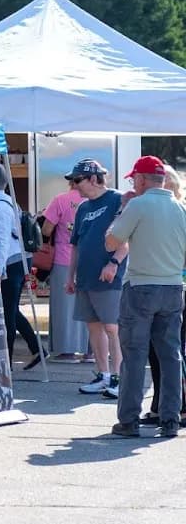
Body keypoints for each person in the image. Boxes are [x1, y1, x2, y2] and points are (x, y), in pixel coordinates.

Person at [104, 155, 186, 438]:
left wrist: (123, 209)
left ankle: (128, 420)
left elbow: (111, 241)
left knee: (135, 355)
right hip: (173, 287)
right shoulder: (180, 208)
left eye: (133, 179)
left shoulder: (137, 205)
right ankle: (171, 419)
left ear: (141, 179)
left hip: (140, 286)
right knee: (170, 355)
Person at [65, 159, 126, 399]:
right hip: (86, 277)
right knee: (93, 326)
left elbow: (127, 238)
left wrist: (114, 263)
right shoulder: (83, 208)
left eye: (77, 180)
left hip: (110, 277)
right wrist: (70, 276)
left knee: (113, 327)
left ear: (93, 178)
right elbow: (76, 246)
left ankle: (121, 377)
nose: (74, 186)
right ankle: (104, 375)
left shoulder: (117, 199)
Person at [143, 165, 186, 424]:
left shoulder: (178, 212)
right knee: (156, 352)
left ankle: (177, 406)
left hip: (175, 288)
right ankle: (160, 405)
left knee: (173, 351)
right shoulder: (157, 211)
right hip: (161, 287)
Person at [0, 163, 41, 364]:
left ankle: (6, 362)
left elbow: (1, 241)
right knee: (11, 309)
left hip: (9, 263)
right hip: (17, 261)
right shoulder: (10, 202)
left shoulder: (0, 206)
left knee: (7, 314)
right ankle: (36, 347)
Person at [41, 172, 89, 359]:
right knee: (90, 305)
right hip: (88, 259)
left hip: (64, 259)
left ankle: (67, 350)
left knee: (64, 306)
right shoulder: (95, 200)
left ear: (70, 182)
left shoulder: (60, 200)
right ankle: (90, 351)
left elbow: (46, 229)